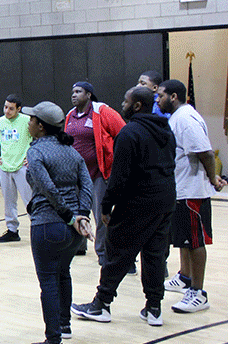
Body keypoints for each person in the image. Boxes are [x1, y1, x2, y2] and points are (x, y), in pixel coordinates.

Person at [71, 87, 176, 326]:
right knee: (155, 254)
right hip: (165, 199)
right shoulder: (166, 130)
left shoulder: (130, 133)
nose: (122, 104)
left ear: (137, 106)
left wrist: (106, 207)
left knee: (116, 250)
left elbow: (119, 177)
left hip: (139, 201)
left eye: (126, 101)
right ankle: (154, 308)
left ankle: (101, 304)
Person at [21, 101, 93, 344]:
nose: (28, 123)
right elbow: (86, 185)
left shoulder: (36, 152)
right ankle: (64, 325)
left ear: (40, 126)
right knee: (63, 273)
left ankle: (53, 342)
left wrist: (68, 215)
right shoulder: (72, 151)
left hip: (48, 224)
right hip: (73, 232)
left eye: (31, 120)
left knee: (48, 281)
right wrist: (81, 215)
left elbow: (47, 188)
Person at [157, 79, 227, 313]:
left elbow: (205, 152)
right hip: (180, 190)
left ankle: (198, 292)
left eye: (161, 96)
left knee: (195, 241)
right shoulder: (178, 117)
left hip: (192, 192)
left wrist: (214, 178)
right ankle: (185, 278)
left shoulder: (186, 120)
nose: (158, 100)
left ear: (174, 97)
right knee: (184, 239)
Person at [64, 81, 126, 263]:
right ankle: (78, 245)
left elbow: (123, 132)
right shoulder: (70, 115)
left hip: (99, 173)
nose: (73, 95)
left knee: (101, 215)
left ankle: (103, 252)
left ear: (89, 94)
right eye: (72, 91)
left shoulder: (102, 111)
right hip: (75, 174)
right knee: (77, 211)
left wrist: (114, 160)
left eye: (78, 91)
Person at [0, 95, 33, 243]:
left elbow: (40, 137)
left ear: (19, 109)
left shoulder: (27, 121)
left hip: (22, 167)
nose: (7, 111)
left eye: (11, 108)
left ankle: (38, 227)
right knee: (9, 201)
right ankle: (12, 230)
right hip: (5, 168)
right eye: (5, 107)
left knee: (30, 200)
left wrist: (32, 156)